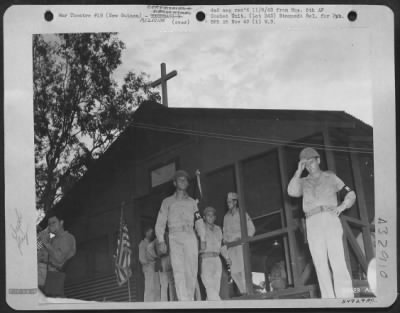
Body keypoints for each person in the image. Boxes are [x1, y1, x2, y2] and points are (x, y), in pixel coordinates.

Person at [287, 147, 356, 298]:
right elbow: (291, 191)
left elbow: (350, 193)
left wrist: (343, 206)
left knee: (337, 261)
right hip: (312, 222)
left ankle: (346, 300)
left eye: (311, 162)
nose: (309, 166)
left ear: (318, 160)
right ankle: (329, 301)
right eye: (305, 164)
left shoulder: (330, 177)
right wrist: (298, 172)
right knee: (320, 265)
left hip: (330, 217)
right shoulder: (303, 182)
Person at [155, 170, 206, 301]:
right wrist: (161, 240)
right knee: (178, 270)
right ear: (174, 182)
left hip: (190, 235)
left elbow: (199, 220)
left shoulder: (192, 202)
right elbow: (160, 223)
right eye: (180, 179)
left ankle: (189, 300)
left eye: (185, 180)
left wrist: (203, 237)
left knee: (191, 269)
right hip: (175, 236)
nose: (183, 182)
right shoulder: (167, 202)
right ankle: (184, 302)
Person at [223, 192, 255, 295]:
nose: (228, 203)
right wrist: (225, 241)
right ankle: (243, 293)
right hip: (231, 248)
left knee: (244, 271)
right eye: (227, 202)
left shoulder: (242, 213)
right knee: (234, 272)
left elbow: (251, 229)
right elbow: (224, 233)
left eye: (230, 201)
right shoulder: (226, 217)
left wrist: (242, 238)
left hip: (241, 245)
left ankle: (249, 293)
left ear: (235, 202)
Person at [37, 211, 76, 297]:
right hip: (45, 277)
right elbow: (38, 253)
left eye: (54, 222)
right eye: (49, 224)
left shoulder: (68, 238)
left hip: (57, 277)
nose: (51, 225)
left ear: (61, 222)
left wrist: (46, 244)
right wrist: (40, 239)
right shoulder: (51, 239)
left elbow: (59, 258)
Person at [199, 206, 231, 300]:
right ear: (204, 217)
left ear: (215, 217)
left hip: (217, 260)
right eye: (208, 215)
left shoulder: (218, 229)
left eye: (212, 215)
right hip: (205, 259)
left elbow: (222, 245)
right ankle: (218, 306)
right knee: (209, 287)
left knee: (215, 288)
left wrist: (227, 257)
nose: (210, 217)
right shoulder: (200, 228)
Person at [139, 226, 160, 302]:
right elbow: (141, 258)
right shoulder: (143, 243)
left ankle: (157, 304)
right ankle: (148, 305)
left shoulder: (152, 243)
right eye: (151, 232)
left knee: (157, 287)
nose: (152, 234)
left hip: (154, 267)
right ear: (146, 233)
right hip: (148, 268)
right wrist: (148, 263)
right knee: (149, 287)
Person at [156, 232, 177, 301]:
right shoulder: (168, 236)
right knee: (170, 283)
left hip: (164, 260)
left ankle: (167, 301)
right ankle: (171, 300)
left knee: (165, 285)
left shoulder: (158, 238)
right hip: (166, 259)